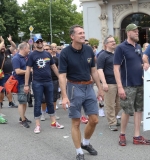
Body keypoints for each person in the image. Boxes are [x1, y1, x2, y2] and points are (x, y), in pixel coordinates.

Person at [58, 25, 104, 160]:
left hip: (88, 87)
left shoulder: (89, 50)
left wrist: (100, 88)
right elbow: (62, 75)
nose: (83, 35)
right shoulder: (65, 53)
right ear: (72, 36)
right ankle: (79, 152)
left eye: (83, 33)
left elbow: (94, 71)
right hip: (73, 87)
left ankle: (86, 143)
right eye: (80, 33)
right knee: (76, 122)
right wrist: (64, 96)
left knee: (94, 120)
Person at [114, 23, 150, 146]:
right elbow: (116, 68)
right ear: (128, 32)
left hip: (139, 83)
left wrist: (145, 65)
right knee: (126, 110)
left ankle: (137, 136)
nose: (137, 32)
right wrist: (120, 87)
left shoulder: (138, 46)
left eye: (137, 31)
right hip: (127, 84)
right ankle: (122, 134)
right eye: (134, 31)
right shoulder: (121, 47)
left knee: (138, 110)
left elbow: (139, 62)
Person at [24, 34, 64, 134]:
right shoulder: (32, 55)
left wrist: (60, 78)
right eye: (38, 41)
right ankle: (37, 125)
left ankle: (53, 122)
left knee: (50, 101)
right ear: (34, 43)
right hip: (37, 82)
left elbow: (54, 67)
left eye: (41, 41)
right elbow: (28, 70)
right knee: (38, 102)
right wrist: (26, 85)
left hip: (48, 81)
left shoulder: (47, 54)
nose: (40, 43)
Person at [97, 35, 121, 131]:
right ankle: (112, 122)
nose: (114, 42)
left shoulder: (117, 54)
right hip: (109, 83)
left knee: (120, 104)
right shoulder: (102, 55)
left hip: (119, 83)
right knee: (110, 104)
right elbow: (99, 70)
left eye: (114, 41)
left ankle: (113, 118)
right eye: (111, 41)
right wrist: (104, 83)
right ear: (106, 44)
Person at [12, 42, 32, 128]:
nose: (29, 50)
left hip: (27, 82)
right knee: (21, 102)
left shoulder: (26, 57)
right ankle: (22, 120)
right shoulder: (16, 58)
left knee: (25, 101)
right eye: (28, 48)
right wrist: (29, 71)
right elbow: (18, 71)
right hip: (21, 83)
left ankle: (23, 117)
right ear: (24, 48)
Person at [0, 35, 18, 108]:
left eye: (4, 46)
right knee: (1, 89)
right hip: (2, 75)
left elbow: (14, 46)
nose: (3, 47)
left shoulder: (7, 52)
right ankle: (1, 102)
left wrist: (10, 41)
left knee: (8, 89)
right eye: (2, 46)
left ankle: (10, 103)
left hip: (9, 74)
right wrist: (2, 41)